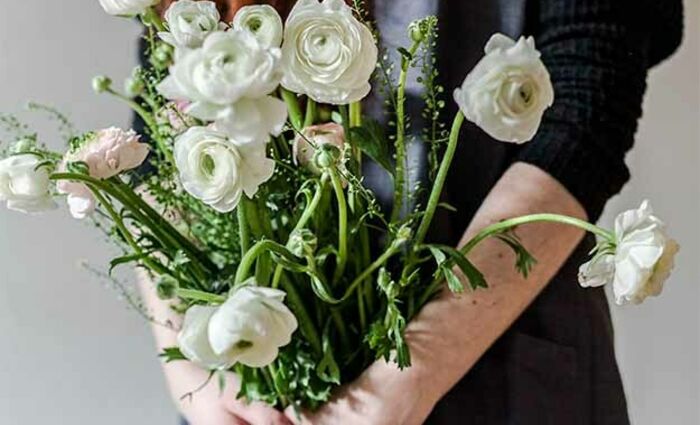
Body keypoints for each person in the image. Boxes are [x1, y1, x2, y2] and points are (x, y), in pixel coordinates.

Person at [137, 1, 684, 424]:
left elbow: (587, 101)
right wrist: (196, 372)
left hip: (496, 368)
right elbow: (157, 132)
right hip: (252, 398)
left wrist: (399, 383)